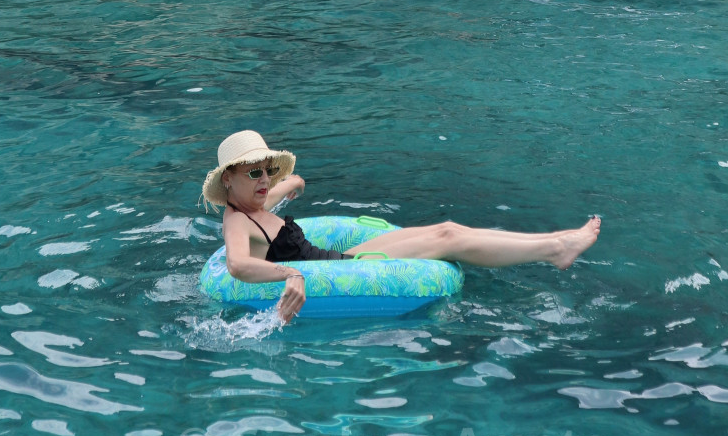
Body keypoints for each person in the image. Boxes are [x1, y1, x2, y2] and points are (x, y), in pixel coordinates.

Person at [204, 129, 601, 324]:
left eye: (268, 170)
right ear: (228, 180)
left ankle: (555, 242)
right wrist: (290, 272)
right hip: (341, 269)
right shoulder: (236, 221)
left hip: (342, 257)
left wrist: (289, 183)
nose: (264, 179)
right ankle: (555, 249)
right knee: (448, 238)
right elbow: (238, 265)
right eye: (255, 171)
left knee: (446, 227)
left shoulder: (254, 204)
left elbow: (272, 201)